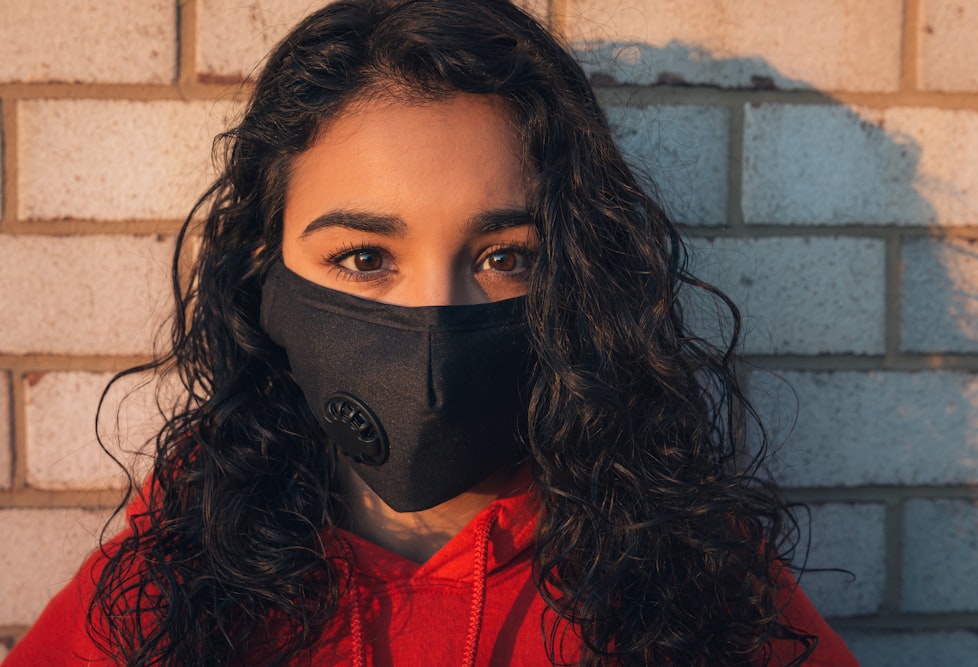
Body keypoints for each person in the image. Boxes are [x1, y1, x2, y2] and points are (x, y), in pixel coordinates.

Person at [4, 1, 859, 665]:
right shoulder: (179, 568)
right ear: (264, 265)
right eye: (365, 255)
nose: (429, 320)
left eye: (503, 255)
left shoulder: (678, 569)